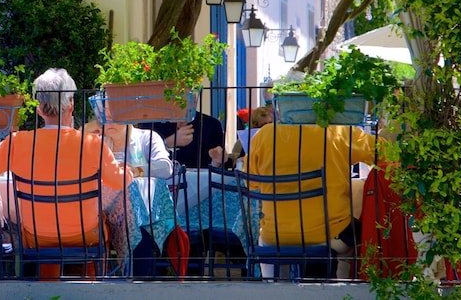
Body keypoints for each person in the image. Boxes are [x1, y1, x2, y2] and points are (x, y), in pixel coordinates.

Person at [0, 68, 132, 266]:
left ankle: (48, 282)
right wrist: (128, 170)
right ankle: (90, 281)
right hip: (86, 236)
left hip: (37, 237)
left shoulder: (17, 143)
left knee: (37, 234)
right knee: (103, 224)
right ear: (71, 105)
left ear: (39, 109)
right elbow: (119, 181)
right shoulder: (92, 144)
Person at [246, 122, 380, 279]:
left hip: (275, 235)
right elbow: (386, 152)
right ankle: (343, 286)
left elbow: (251, 182)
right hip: (329, 236)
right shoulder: (339, 130)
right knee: (357, 234)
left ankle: (275, 286)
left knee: (266, 240)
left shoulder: (265, 134)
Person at [141, 110, 224, 169]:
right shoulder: (151, 123)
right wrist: (169, 142)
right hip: (162, 182)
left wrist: (218, 161)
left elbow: (220, 168)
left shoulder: (211, 125)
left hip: (200, 184)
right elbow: (142, 157)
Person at [91, 122, 172, 180]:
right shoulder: (96, 143)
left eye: (113, 116)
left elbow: (165, 168)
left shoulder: (147, 137)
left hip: (142, 199)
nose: (108, 122)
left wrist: (137, 171)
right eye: (104, 116)